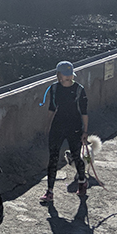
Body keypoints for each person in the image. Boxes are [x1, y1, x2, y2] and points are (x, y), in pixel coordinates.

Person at [40, 60, 89, 205]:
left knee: (76, 156)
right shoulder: (54, 89)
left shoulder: (79, 90)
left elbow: (84, 112)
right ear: (58, 75)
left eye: (70, 75)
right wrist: (47, 125)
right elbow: (51, 108)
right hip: (58, 127)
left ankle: (82, 181)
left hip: (74, 127)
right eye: (65, 75)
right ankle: (49, 191)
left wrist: (85, 131)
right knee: (53, 158)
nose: (68, 78)